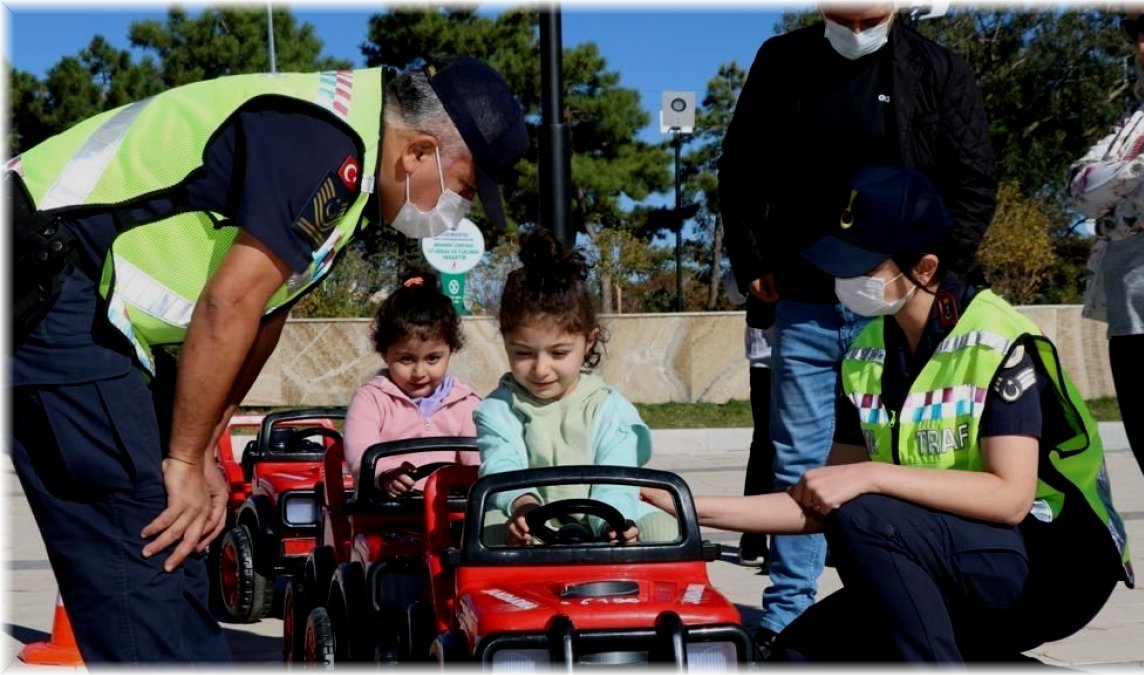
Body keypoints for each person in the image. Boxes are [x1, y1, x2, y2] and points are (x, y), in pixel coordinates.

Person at [7, 58, 528, 662]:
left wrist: (203, 450)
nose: (456, 211)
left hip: (87, 303)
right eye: (463, 189)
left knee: (185, 538)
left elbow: (264, 316)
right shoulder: (322, 141)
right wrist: (179, 458)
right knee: (142, 534)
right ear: (417, 153)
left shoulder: (351, 180)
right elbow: (228, 303)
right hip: (43, 272)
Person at [647, 165, 1132, 663]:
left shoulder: (998, 338)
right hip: (951, 557)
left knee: (868, 513)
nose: (843, 279)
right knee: (796, 656)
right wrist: (681, 506)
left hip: (1052, 567)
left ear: (924, 268)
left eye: (862, 267)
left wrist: (873, 475)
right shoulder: (867, 353)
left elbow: (1009, 498)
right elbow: (821, 501)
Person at [717, 3, 998, 653]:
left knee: (915, 455)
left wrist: (933, 279)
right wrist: (754, 257)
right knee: (799, 458)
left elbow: (974, 179)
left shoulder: (937, 68)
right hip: (808, 299)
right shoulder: (781, 61)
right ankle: (788, 612)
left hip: (903, 304)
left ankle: (924, 603)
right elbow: (741, 165)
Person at [1067, 3, 1144, 665]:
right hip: (1134, 319)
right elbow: (1078, 181)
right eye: (1130, 30)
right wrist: (1136, 186)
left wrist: (1120, 195)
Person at [474, 228, 676, 547]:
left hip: (608, 509)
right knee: (490, 535)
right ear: (506, 342)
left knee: (668, 531)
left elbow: (616, 476)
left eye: (558, 353)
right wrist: (524, 506)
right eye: (523, 353)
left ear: (588, 340)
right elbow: (501, 463)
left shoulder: (609, 408)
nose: (541, 369)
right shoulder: (498, 408)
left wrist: (612, 522)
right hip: (525, 512)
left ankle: (651, 595)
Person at [343, 270, 481, 497]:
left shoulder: (466, 403)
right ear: (384, 353)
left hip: (452, 513)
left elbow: (477, 456)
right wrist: (384, 475)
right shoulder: (371, 399)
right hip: (387, 513)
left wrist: (475, 478)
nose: (419, 372)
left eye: (432, 359)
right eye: (406, 359)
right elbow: (359, 451)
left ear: (451, 350)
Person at [723, 270, 775, 568]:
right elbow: (733, 289)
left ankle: (797, 544)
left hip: (814, 349)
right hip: (767, 353)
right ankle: (754, 538)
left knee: (805, 445)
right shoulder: (750, 238)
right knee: (766, 443)